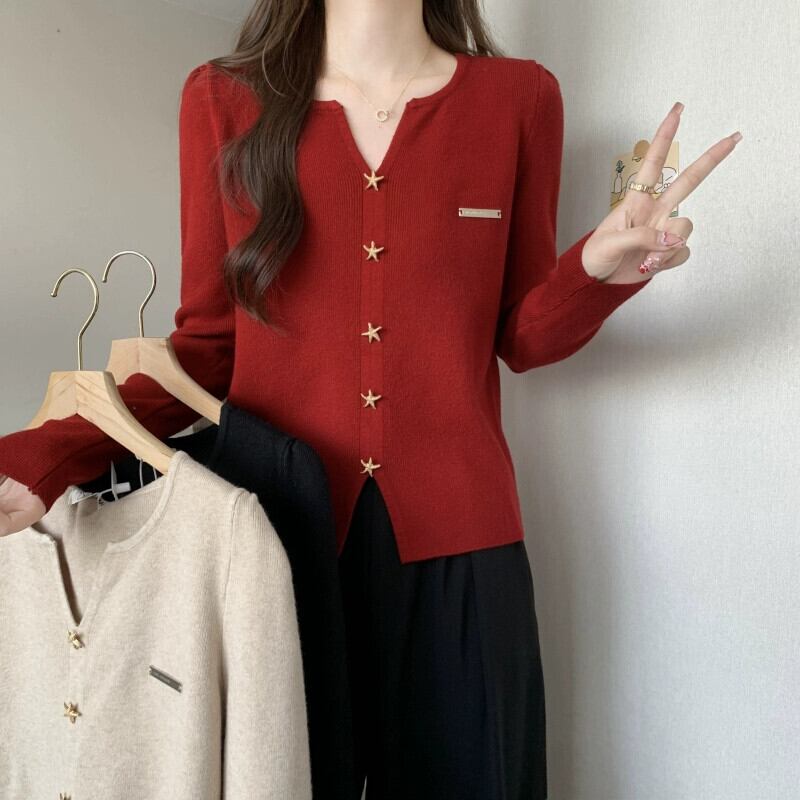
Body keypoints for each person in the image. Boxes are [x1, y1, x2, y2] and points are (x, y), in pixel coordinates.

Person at [0, 0, 741, 797]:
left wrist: (594, 273)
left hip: (464, 547)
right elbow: (206, 352)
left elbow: (521, 337)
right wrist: (41, 455)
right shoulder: (221, 100)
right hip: (272, 552)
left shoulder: (520, 99)